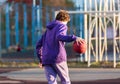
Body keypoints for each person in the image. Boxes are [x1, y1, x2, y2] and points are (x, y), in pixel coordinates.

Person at [36, 10, 83, 84]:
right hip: (58, 58)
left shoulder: (48, 29)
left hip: (46, 59)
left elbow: (38, 45)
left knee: (51, 82)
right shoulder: (62, 25)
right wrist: (74, 38)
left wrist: (41, 59)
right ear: (65, 19)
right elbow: (60, 36)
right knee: (65, 81)